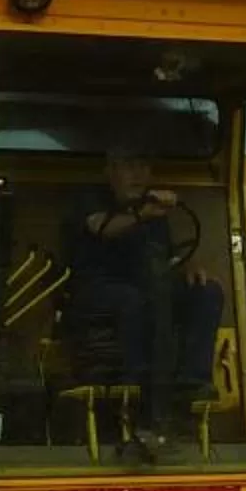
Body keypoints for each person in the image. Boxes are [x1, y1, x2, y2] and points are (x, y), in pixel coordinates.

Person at [63, 151, 219, 452]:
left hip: (147, 290)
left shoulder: (154, 216)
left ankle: (191, 383)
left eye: (143, 165)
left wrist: (188, 269)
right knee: (133, 300)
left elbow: (166, 256)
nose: (137, 174)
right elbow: (101, 227)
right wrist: (143, 213)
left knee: (207, 291)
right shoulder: (89, 200)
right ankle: (136, 388)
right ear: (109, 171)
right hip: (93, 293)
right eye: (128, 165)